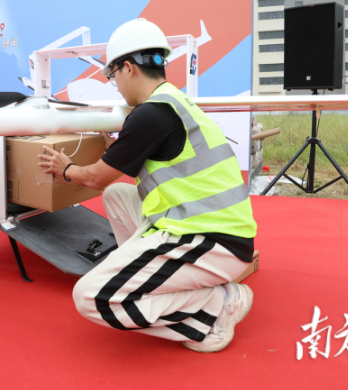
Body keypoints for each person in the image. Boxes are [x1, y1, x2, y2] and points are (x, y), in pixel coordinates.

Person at [37, 18, 257, 353]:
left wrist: (65, 168)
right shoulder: (172, 102)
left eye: (112, 75)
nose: (115, 85)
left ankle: (217, 305)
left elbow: (95, 178)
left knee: (91, 297)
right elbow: (156, 160)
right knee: (117, 195)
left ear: (128, 68)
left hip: (211, 240)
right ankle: (152, 277)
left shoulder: (150, 114)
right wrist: (118, 148)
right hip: (215, 226)